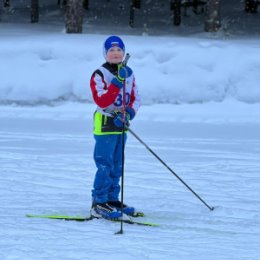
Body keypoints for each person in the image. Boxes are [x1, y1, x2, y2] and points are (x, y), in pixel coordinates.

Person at [89, 35, 141, 219]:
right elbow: (102, 100)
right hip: (105, 124)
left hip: (121, 123)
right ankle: (99, 202)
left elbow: (135, 98)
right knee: (105, 164)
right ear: (105, 54)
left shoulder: (129, 72)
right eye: (111, 50)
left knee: (118, 164)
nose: (116, 53)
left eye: (119, 49)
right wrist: (116, 83)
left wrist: (129, 114)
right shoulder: (100, 74)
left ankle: (112, 199)